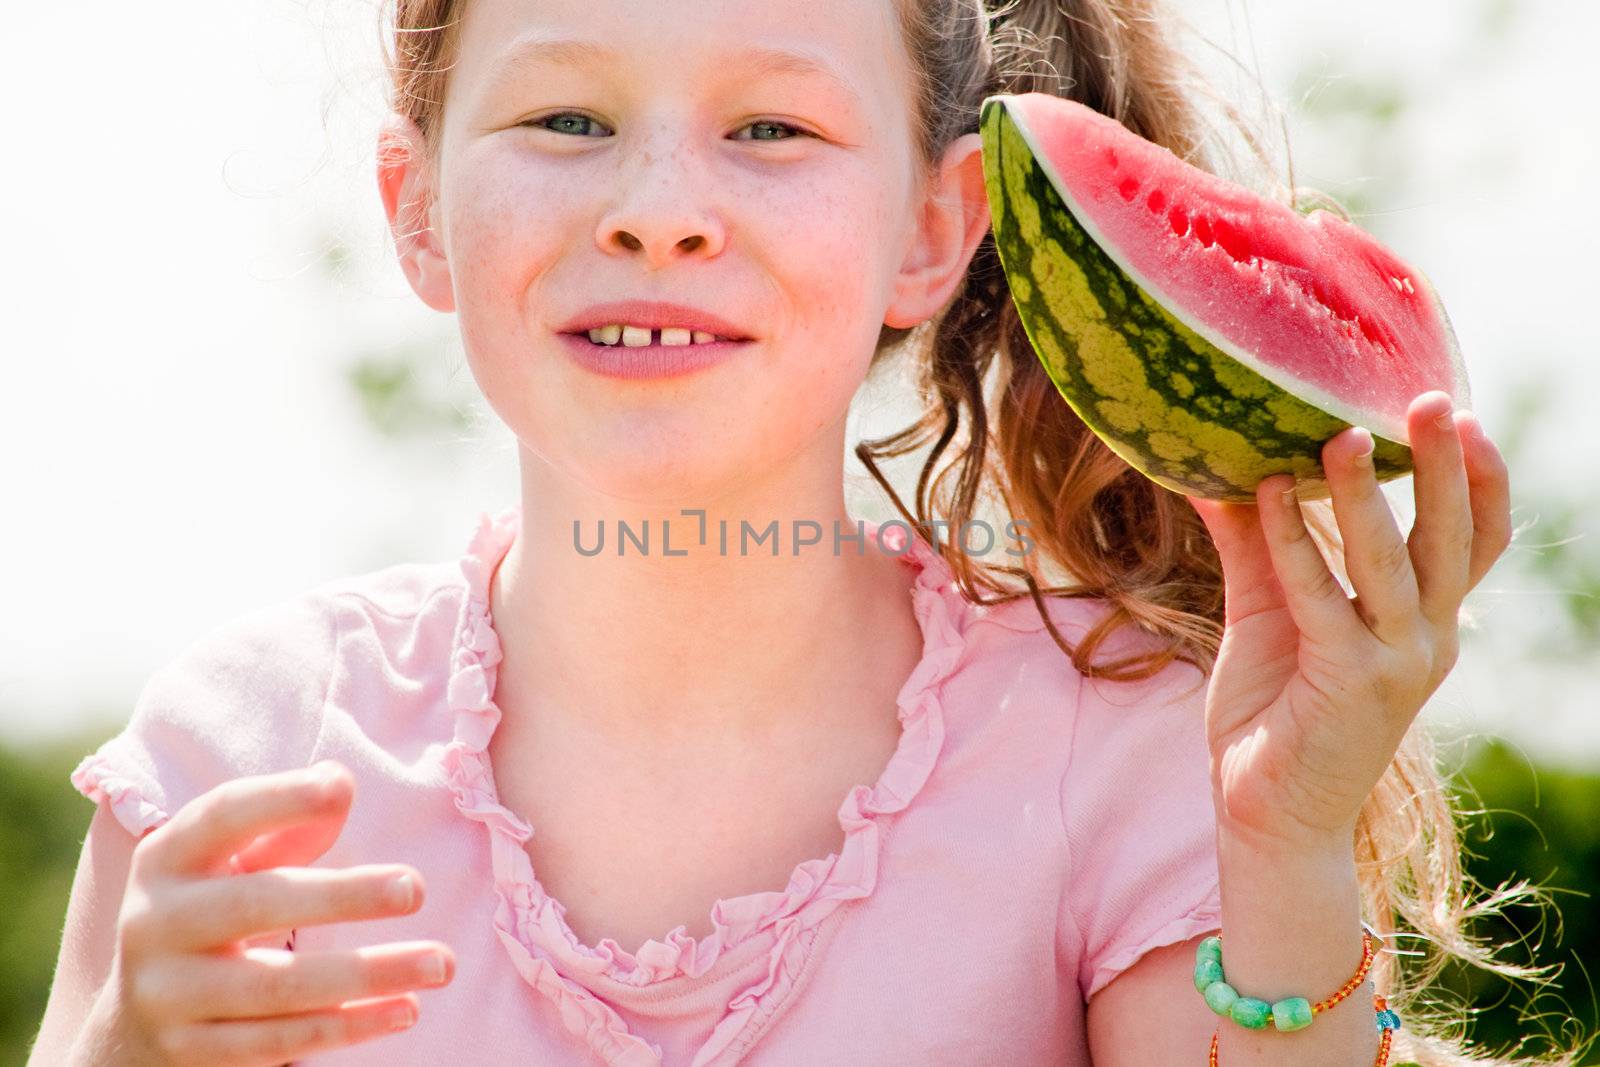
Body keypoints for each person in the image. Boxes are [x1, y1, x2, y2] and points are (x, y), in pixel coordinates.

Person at [28, 0, 1576, 1064]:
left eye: (771, 129)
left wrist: (1289, 847)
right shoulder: (242, 754)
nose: (659, 211)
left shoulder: (1122, 754)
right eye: (566, 115)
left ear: (934, 230)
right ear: (419, 209)